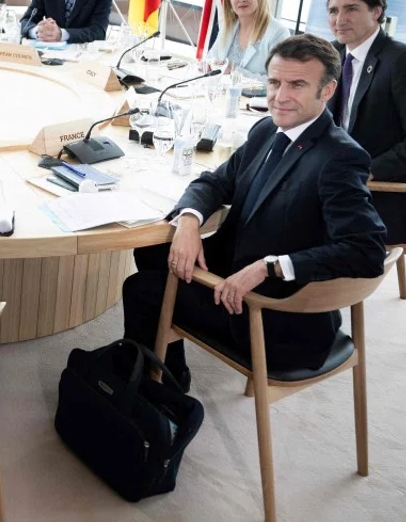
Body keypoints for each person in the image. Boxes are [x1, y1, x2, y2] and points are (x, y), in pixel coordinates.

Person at [124, 34, 387, 392]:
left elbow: (367, 251)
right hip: (237, 269)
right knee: (153, 251)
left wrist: (271, 266)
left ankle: (152, 393)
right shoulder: (268, 128)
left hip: (277, 312)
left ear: (326, 92)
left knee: (141, 289)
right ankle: (170, 372)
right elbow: (215, 182)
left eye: (297, 85)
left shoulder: (340, 158)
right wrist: (188, 220)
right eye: (275, 82)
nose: (280, 96)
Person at [326, 0, 406, 244]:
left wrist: (370, 169)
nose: (339, 19)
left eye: (351, 9)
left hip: (380, 191)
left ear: (376, 11)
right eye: (333, 10)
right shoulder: (331, 54)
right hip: (334, 177)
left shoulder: (400, 61)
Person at [205, 0, 290, 80]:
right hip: (220, 93)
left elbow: (279, 81)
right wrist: (209, 66)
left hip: (253, 97)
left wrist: (234, 72)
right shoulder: (227, 25)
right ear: (229, 1)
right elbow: (210, 59)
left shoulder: (278, 32)